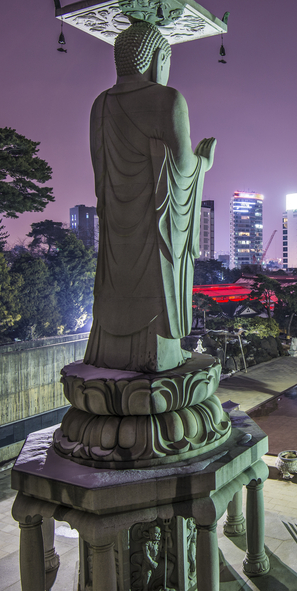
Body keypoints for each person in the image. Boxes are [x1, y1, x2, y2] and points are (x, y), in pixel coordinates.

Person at [83, 19, 216, 372]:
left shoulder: (99, 105)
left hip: (115, 232)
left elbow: (101, 173)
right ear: (157, 58)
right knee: (160, 281)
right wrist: (204, 162)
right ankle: (161, 355)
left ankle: (108, 351)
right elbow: (182, 164)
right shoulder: (168, 98)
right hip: (153, 229)